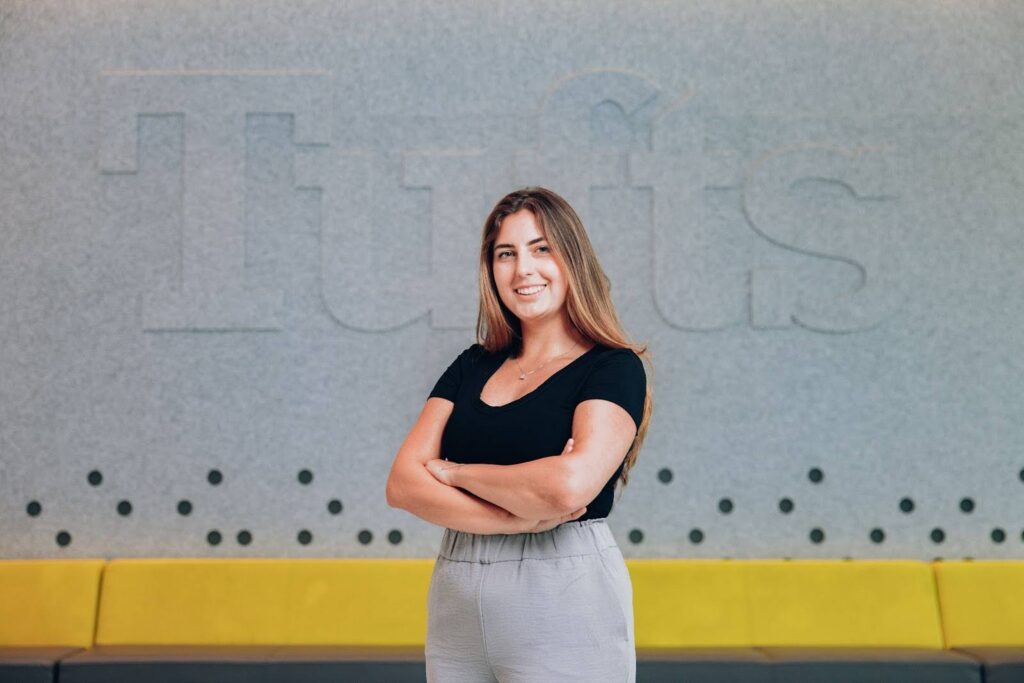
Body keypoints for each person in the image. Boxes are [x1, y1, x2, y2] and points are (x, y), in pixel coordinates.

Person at [385, 186, 653, 682]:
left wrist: (455, 472)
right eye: (505, 254)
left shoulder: (613, 369)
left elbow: (567, 488)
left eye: (541, 249)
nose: (522, 270)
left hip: (563, 588)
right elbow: (402, 485)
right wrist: (517, 518)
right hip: (458, 593)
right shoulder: (473, 365)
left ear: (573, 260)